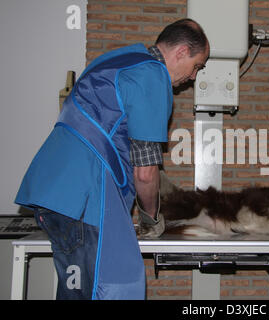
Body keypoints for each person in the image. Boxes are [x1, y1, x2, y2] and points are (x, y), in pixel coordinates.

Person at [15, 18, 209, 300]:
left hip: (57, 194)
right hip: (84, 199)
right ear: (180, 52)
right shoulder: (152, 75)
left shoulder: (118, 60)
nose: (193, 77)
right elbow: (145, 172)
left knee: (79, 290)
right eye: (196, 66)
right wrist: (151, 218)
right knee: (109, 287)